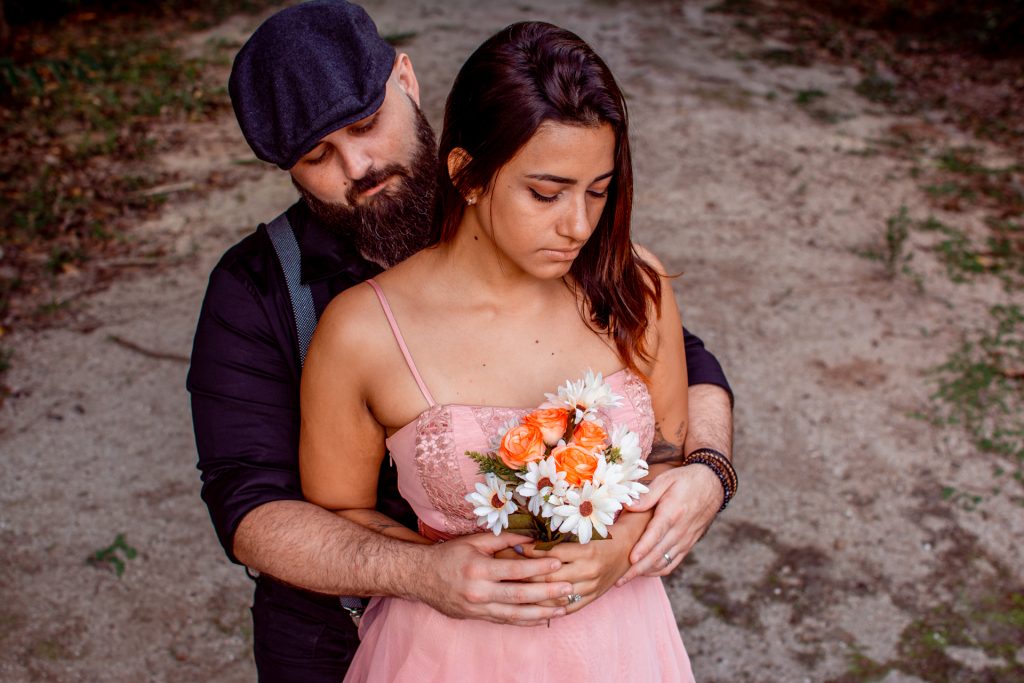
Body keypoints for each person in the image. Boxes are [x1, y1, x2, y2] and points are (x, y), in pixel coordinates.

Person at [187, 2, 733, 681]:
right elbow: (250, 503)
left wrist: (708, 473)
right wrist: (421, 571)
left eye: (365, 124)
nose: (358, 164)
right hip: (348, 626)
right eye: (316, 155)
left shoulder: (539, 217)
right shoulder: (261, 294)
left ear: (406, 80)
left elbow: (674, 364)